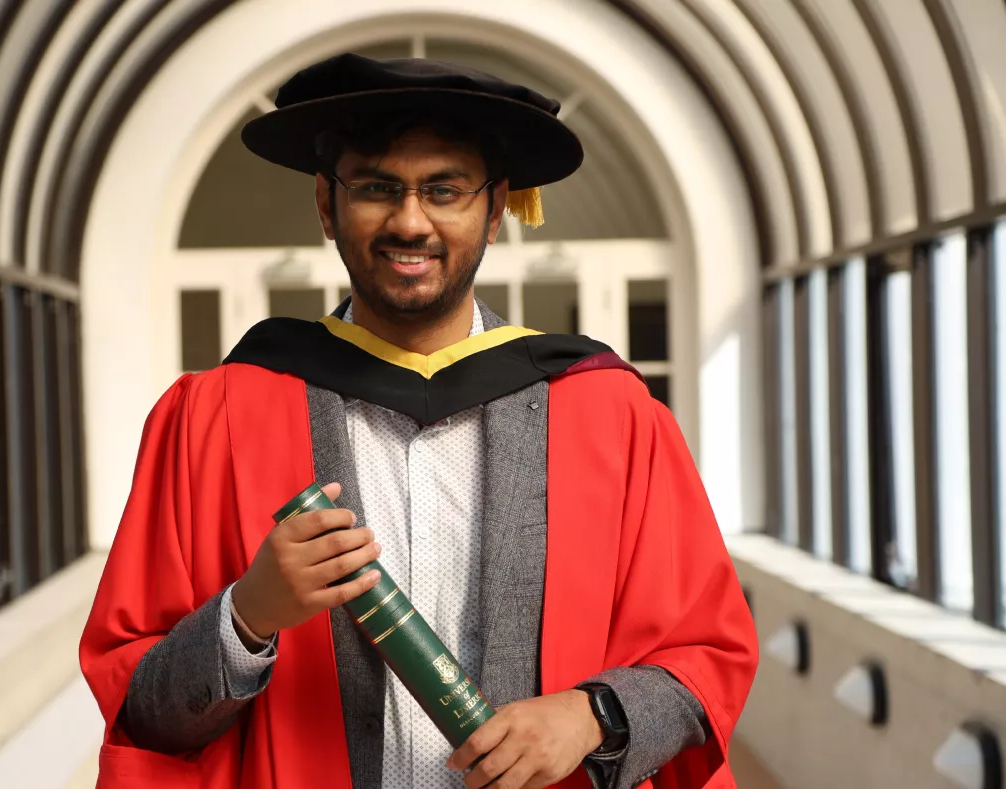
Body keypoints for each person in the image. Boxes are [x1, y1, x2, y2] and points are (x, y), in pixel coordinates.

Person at [80, 53, 758, 789]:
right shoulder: (214, 417)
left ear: (496, 208)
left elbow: (708, 660)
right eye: (375, 186)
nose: (409, 220)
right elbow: (139, 706)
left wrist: (593, 714)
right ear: (325, 201)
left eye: (444, 189)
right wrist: (248, 616)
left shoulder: (609, 415)